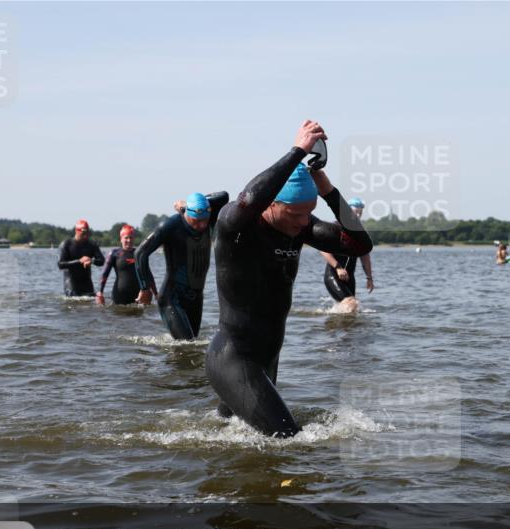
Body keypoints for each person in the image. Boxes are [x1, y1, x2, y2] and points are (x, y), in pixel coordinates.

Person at [206, 120, 373, 437]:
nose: (303, 221)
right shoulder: (236, 226)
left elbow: (361, 244)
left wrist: (327, 190)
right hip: (234, 358)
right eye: (295, 214)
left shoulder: (301, 228)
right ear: (271, 204)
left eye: (308, 213)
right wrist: (297, 151)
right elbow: (248, 199)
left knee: (229, 435)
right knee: (288, 440)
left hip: (267, 359)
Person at [134, 191, 229, 338]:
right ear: (187, 215)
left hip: (196, 299)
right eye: (197, 221)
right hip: (171, 300)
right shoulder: (170, 226)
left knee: (193, 346)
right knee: (187, 343)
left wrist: (189, 204)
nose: (202, 225)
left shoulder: (207, 214)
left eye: (205, 220)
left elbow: (224, 196)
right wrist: (145, 288)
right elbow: (140, 253)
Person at [320, 196, 375, 307]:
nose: (357, 216)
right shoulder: (335, 227)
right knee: (351, 303)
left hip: (349, 277)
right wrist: (338, 267)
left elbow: (365, 257)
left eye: (360, 213)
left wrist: (369, 278)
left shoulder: (361, 232)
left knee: (352, 307)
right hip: (334, 274)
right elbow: (323, 250)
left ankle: (334, 318)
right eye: (355, 213)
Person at [96, 225, 142, 306]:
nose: (129, 240)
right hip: (119, 296)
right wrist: (100, 292)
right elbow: (105, 274)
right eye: (126, 238)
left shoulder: (139, 253)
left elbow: (147, 274)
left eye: (131, 238)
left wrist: (154, 293)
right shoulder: (114, 254)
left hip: (137, 296)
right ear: (121, 239)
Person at [57, 219, 104, 297]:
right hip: (71, 283)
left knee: (90, 301)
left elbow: (102, 261)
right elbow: (60, 264)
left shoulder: (92, 244)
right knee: (73, 302)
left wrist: (91, 261)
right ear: (76, 231)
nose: (86, 235)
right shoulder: (66, 244)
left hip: (87, 282)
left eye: (87, 233)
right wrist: (79, 261)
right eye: (83, 233)